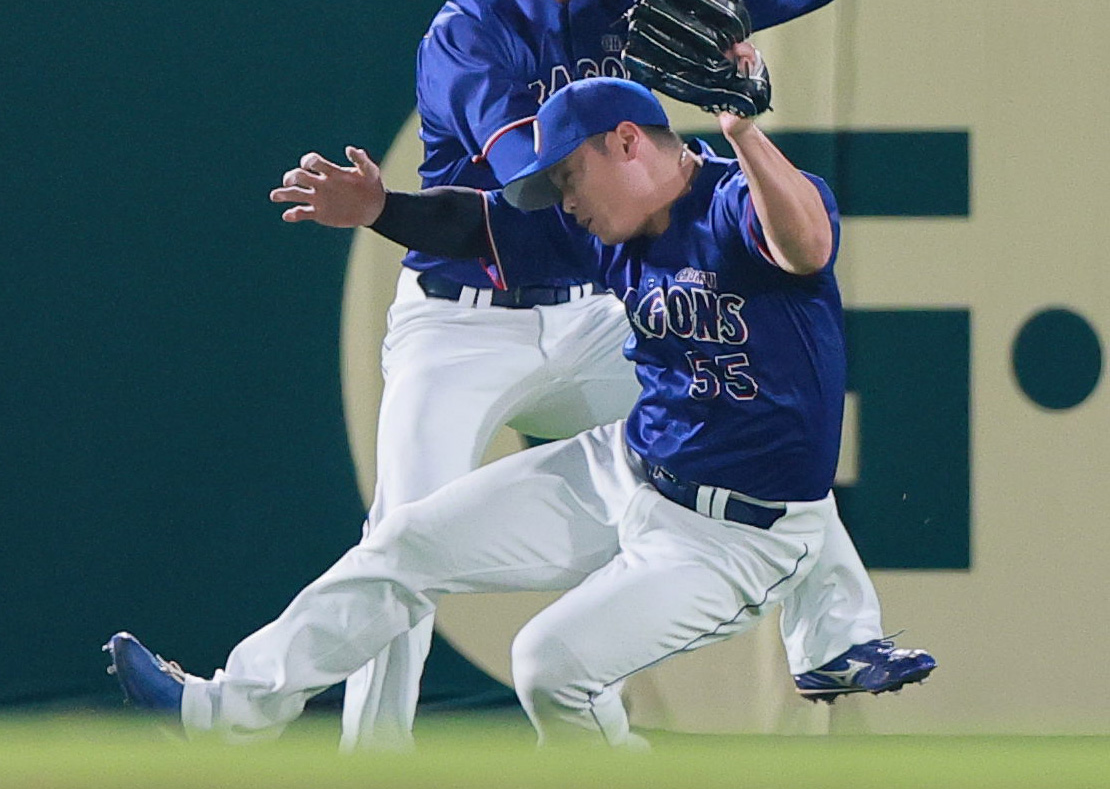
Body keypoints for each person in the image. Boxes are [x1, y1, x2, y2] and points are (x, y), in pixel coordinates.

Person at [286, 0, 912, 748]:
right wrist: (388, 206)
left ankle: (839, 631)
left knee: (753, 410)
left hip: (585, 307)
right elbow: (515, 188)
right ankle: (371, 753)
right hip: (468, 313)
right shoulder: (470, 31)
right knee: (406, 538)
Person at [104, 70, 935, 746]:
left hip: (734, 536)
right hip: (628, 468)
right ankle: (224, 711)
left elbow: (807, 245)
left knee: (546, 666)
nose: (564, 200)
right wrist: (381, 209)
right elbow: (483, 225)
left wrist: (745, 130)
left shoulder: (735, 204)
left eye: (569, 176)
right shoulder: (598, 227)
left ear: (627, 142)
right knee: (405, 541)